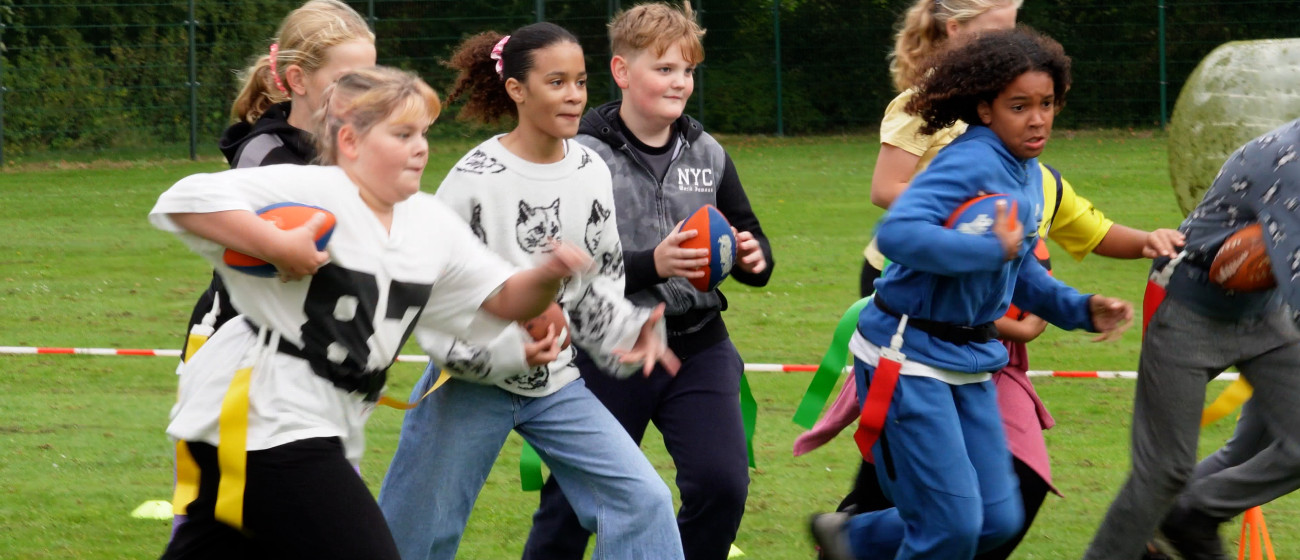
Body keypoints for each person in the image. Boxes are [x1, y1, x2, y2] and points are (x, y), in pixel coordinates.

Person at [154, 66, 587, 560]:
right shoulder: (312, 189)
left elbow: (506, 298)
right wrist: (277, 244)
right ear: (350, 142)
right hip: (263, 415)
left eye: (423, 133)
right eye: (402, 135)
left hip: (306, 421)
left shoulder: (429, 223)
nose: (420, 147)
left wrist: (548, 274)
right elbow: (183, 200)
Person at [807, 27, 1134, 560]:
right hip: (908, 357)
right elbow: (898, 234)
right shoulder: (971, 161)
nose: (1037, 119)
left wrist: (1079, 309)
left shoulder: (1027, 171)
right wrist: (987, 250)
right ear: (986, 110)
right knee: (952, 528)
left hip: (970, 360)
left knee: (998, 520)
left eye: (1047, 104)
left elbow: (1018, 263)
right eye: (1019, 106)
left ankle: (852, 537)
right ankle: (857, 537)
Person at [376, 22, 684, 560]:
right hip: (467, 386)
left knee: (643, 502)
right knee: (415, 537)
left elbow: (596, 284)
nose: (574, 95)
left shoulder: (590, 169)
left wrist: (626, 329)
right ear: (517, 90)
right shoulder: (474, 178)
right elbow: (434, 299)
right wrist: (509, 348)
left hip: (555, 386)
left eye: (581, 81)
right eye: (556, 82)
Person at [521, 4, 774, 560]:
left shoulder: (707, 152)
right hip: (610, 349)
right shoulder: (581, 155)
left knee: (721, 487)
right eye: (664, 69)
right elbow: (563, 265)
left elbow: (750, 238)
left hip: (699, 345)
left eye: (687, 71)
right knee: (573, 503)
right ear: (621, 71)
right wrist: (653, 264)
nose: (679, 82)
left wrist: (753, 256)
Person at [170, 0, 376, 537]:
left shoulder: (359, 152)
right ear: (297, 80)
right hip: (242, 364)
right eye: (347, 81)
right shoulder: (265, 156)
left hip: (311, 364)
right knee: (222, 516)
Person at [1084, 119, 1300, 560]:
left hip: (1263, 312)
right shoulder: (1291, 161)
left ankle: (1194, 515)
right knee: (1164, 471)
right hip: (1187, 304)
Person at [859, 0, 1020, 297]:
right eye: (995, 33)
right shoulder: (923, 103)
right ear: (955, 29)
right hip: (903, 270)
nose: (1007, 45)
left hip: (969, 261)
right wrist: (967, 203)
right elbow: (884, 190)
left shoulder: (994, 99)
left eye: (1011, 33)